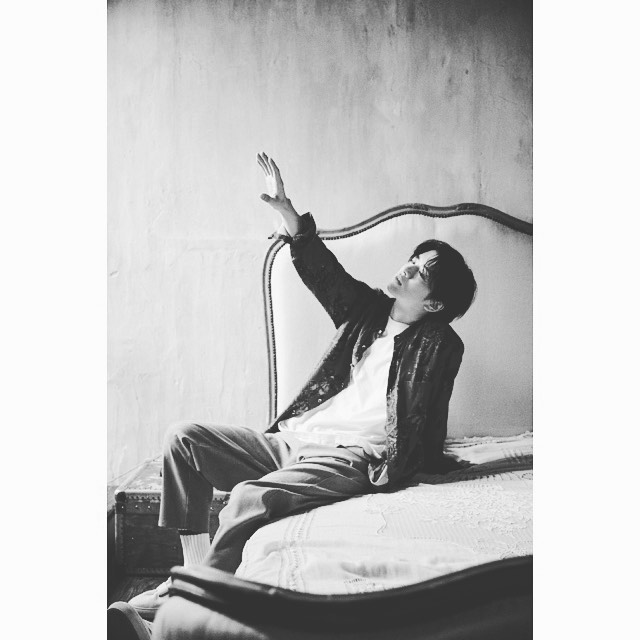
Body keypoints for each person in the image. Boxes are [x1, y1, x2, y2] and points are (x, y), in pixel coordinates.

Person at [107, 153, 477, 638]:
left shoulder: (439, 344)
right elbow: (324, 273)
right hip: (293, 440)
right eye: (411, 260)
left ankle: (181, 612)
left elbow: (424, 416)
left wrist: (422, 463)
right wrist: (288, 213)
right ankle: (191, 581)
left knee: (249, 497)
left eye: (420, 272)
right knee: (184, 439)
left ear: (435, 302)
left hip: (349, 456)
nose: (406, 269)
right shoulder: (365, 311)